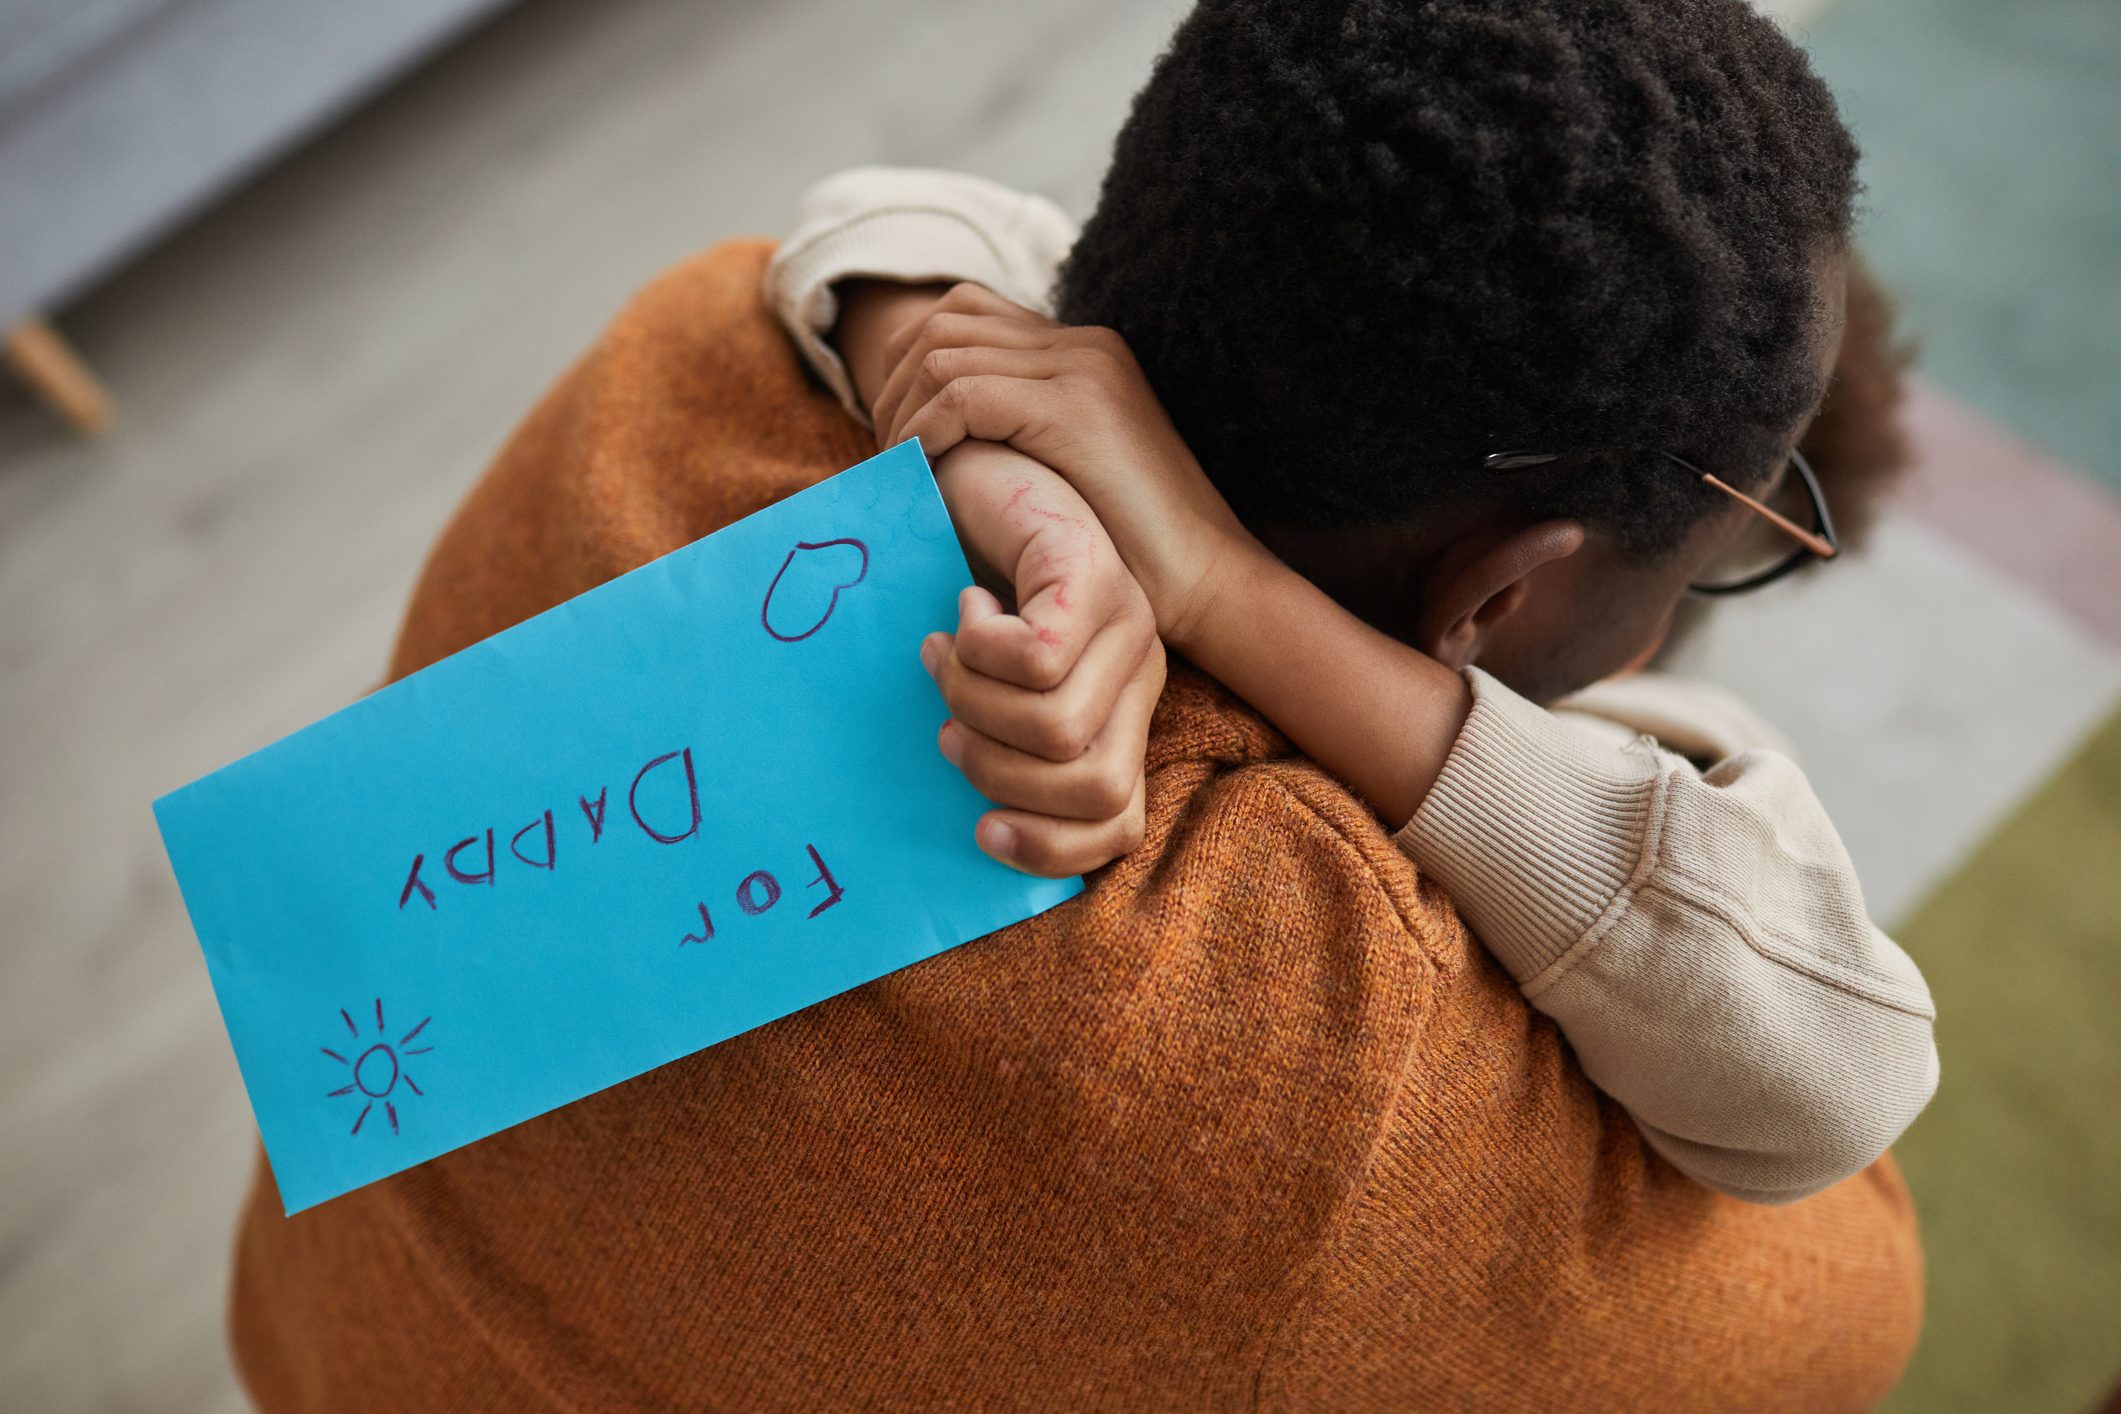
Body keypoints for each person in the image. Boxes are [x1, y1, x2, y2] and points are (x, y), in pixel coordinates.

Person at [227, 1, 1929, 1407]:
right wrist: (1217, 591)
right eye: (1732, 556)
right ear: (1500, 593)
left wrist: (989, 429)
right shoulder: (1342, 1044)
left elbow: (888, 229)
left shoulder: (679, 366)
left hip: (319, 1325)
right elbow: (1851, 1268)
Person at [763, 166, 1939, 1205]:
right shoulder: (1665, 762)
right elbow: (1851, 1071)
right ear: (1490, 601)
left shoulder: (1121, 396)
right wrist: (1197, 577)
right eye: (1689, 586)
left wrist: (1022, 473)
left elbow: (877, 211)